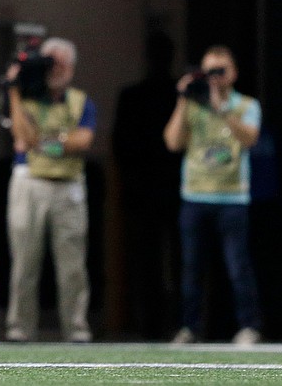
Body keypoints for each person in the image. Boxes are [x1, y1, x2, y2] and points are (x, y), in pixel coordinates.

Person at [163, 44, 262, 345]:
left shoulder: (246, 105)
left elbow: (249, 139)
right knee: (192, 267)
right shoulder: (193, 105)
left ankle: (249, 325)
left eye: (221, 71)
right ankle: (189, 327)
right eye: (209, 72)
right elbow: (172, 142)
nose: (215, 77)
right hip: (195, 195)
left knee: (237, 265)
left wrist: (222, 108)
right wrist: (183, 99)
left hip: (232, 197)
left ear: (233, 73)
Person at [3, 37, 96, 342]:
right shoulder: (27, 98)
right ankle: (20, 328)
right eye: (49, 63)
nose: (55, 70)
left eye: (61, 63)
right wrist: (14, 88)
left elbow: (83, 141)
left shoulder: (80, 101)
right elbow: (23, 136)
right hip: (30, 180)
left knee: (72, 266)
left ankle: (76, 327)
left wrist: (44, 142)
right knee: (25, 261)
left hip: (68, 184)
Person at [111, 29, 182, 340]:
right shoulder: (137, 96)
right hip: (153, 187)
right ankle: (157, 325)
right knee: (151, 261)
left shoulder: (174, 95)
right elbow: (120, 145)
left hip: (162, 187)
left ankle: (166, 324)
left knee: (168, 261)